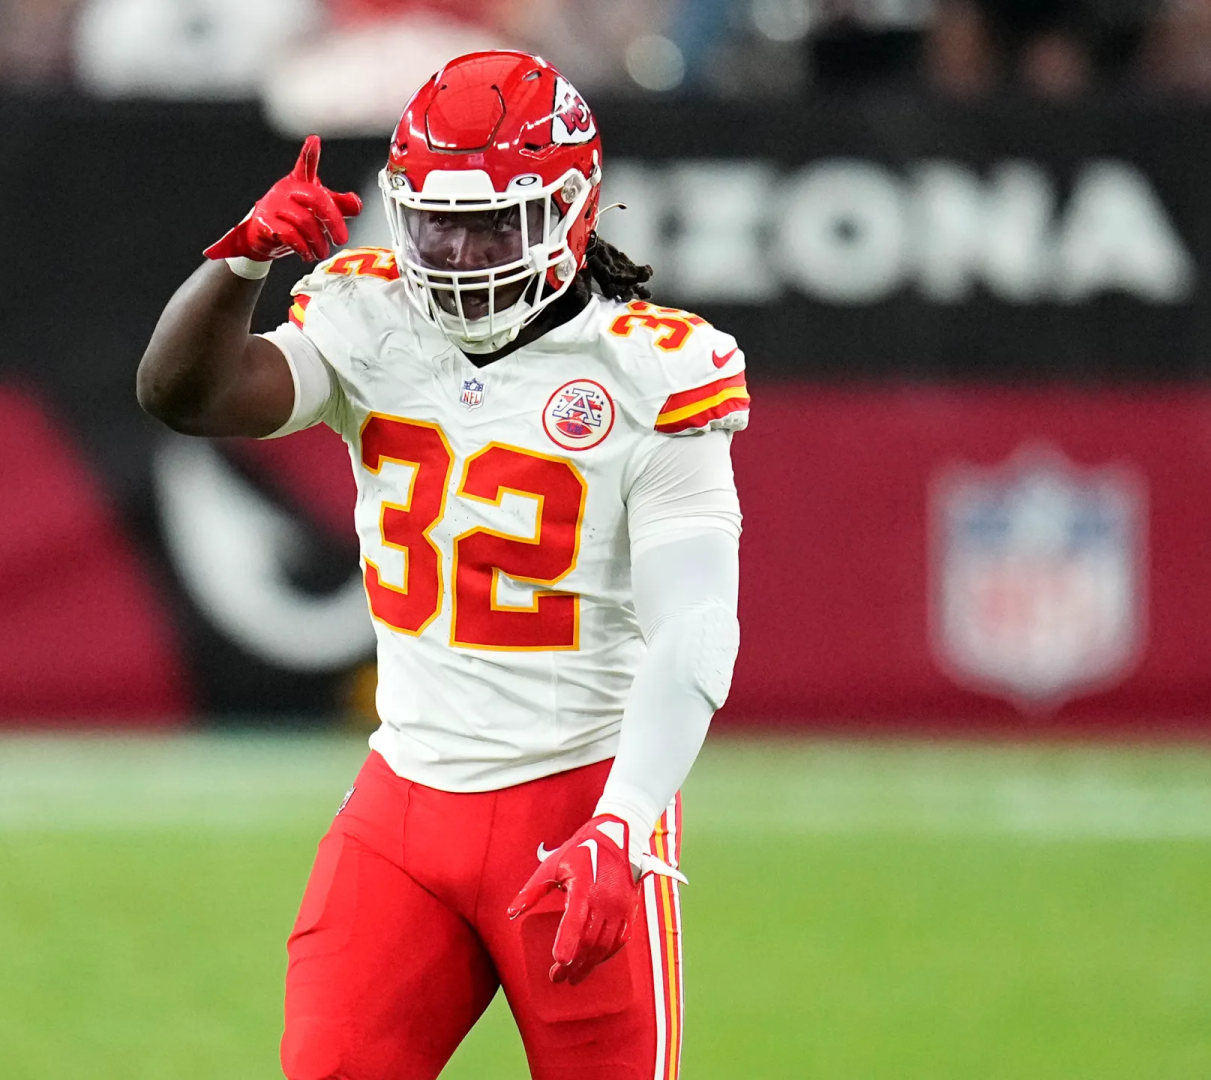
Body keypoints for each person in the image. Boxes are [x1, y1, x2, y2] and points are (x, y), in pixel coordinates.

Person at [136, 50, 745, 1080]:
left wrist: (626, 823)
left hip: (578, 810)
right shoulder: (372, 319)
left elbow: (695, 629)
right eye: (437, 221)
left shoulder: (652, 372)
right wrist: (238, 261)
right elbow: (184, 395)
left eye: (492, 222)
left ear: (572, 212)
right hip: (405, 808)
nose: (459, 253)